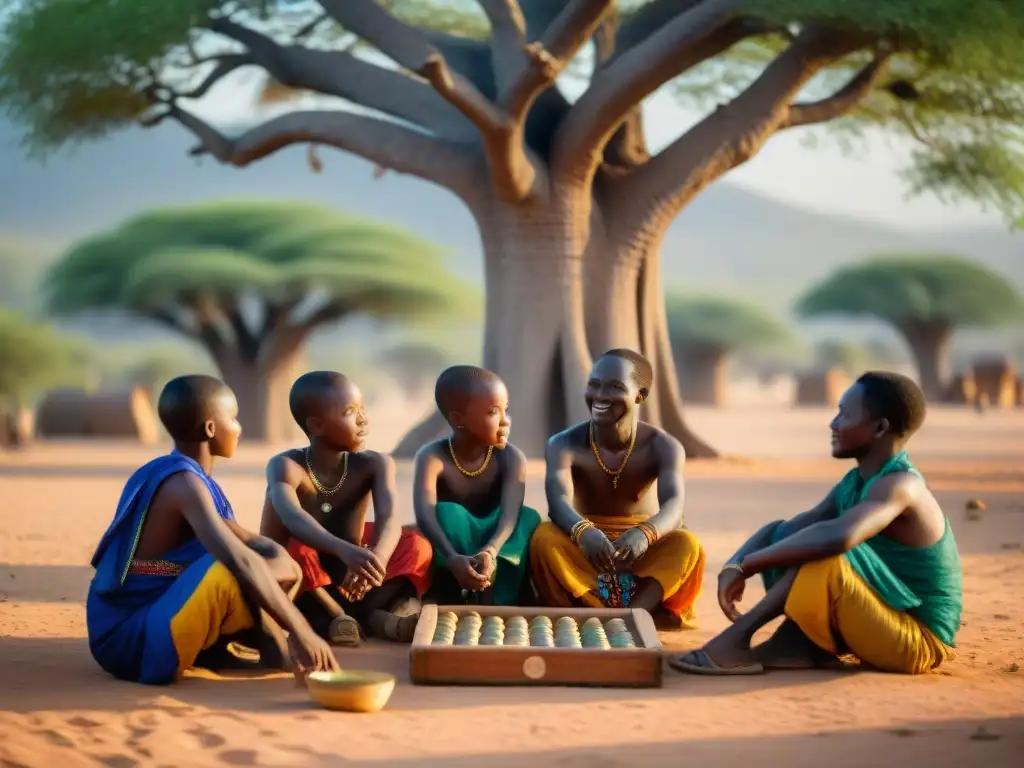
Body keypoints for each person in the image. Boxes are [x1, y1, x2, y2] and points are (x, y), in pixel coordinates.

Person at [669, 371, 963, 676]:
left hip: (916, 642)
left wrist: (750, 564)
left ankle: (735, 641)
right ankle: (797, 645)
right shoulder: (855, 482)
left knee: (823, 552)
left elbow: (839, 538)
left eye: (844, 414)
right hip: (882, 620)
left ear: (880, 427)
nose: (833, 423)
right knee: (785, 536)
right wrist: (733, 565)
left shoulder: (902, 485)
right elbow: (793, 529)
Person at [86, 375, 338, 686]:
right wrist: (302, 630)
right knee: (227, 570)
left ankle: (230, 649)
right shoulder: (184, 484)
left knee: (271, 566)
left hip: (155, 604)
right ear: (210, 429)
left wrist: (280, 558)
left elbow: (245, 540)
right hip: (127, 641)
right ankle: (264, 647)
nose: (239, 428)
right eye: (232, 419)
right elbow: (238, 559)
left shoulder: (188, 478)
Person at [530, 349, 705, 626]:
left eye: (615, 387)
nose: (600, 395)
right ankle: (593, 608)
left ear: (640, 395)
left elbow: (674, 505)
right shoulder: (563, 444)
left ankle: (636, 611)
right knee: (544, 537)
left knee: (686, 544)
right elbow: (558, 499)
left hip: (640, 545)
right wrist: (583, 532)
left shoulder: (663, 445)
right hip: (586, 544)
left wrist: (644, 535)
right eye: (594, 385)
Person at [261, 371, 431, 647]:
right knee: (295, 548)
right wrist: (344, 550)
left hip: (353, 571)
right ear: (316, 425)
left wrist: (376, 560)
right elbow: (291, 516)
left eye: (362, 409)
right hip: (307, 581)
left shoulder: (374, 464)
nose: (363, 420)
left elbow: (390, 519)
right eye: (350, 412)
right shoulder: (286, 466)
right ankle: (349, 616)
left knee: (416, 545)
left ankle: (355, 617)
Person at [413, 365, 540, 605]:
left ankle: (499, 596)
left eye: (506, 410)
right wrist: (452, 558)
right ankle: (455, 590)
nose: (505, 421)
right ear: (458, 419)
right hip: (453, 549)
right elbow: (424, 514)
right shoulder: (432, 457)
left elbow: (510, 516)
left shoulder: (511, 458)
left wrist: (490, 551)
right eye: (494, 412)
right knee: (448, 513)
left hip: (498, 541)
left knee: (528, 518)